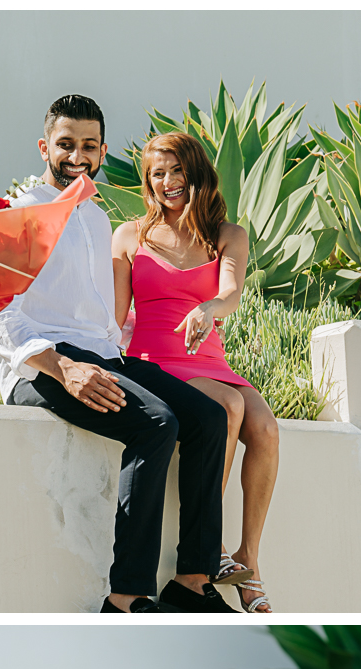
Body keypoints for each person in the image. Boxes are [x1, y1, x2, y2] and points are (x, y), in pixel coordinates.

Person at [0, 95, 238, 613]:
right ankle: (125, 598)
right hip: (41, 365)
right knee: (155, 422)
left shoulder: (97, 220)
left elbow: (107, 319)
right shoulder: (21, 213)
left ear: (101, 151)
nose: (78, 155)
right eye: (66, 144)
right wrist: (63, 367)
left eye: (89, 145)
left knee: (209, 418)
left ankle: (191, 583)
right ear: (44, 147)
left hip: (100, 356)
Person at [113, 133, 279, 613]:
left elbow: (230, 292)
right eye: (157, 174)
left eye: (176, 171)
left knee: (265, 428)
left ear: (196, 172)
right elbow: (113, 315)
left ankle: (247, 555)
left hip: (209, 359)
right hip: (154, 359)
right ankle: (210, 552)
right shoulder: (129, 236)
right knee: (224, 407)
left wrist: (208, 308)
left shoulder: (228, 234)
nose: (167, 183)